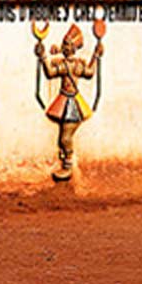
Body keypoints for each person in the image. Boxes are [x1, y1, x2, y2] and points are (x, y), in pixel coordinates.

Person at [35, 23, 102, 181]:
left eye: (66, 44)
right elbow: (52, 72)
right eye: (64, 43)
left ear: (73, 47)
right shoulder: (71, 64)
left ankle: (68, 166)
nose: (63, 46)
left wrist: (96, 56)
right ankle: (65, 159)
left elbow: (52, 72)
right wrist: (43, 55)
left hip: (72, 104)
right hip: (65, 100)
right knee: (64, 137)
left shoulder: (71, 65)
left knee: (65, 138)